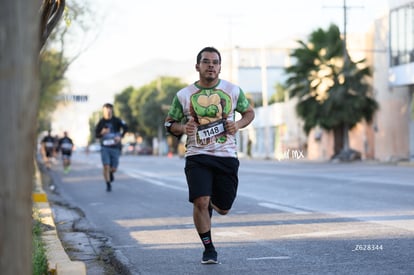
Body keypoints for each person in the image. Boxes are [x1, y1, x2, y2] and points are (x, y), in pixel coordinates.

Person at [164, 47, 255, 264]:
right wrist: (181, 128)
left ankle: (210, 198)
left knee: (223, 208)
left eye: (215, 62)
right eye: (206, 62)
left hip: (226, 156)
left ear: (220, 67)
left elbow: (249, 112)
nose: (211, 65)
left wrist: (238, 124)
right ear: (197, 66)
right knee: (200, 201)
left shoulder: (233, 90)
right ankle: (208, 248)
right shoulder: (183, 95)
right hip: (197, 155)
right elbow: (169, 123)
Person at [95, 103, 128, 192]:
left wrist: (120, 136)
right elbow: (96, 135)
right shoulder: (101, 122)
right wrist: (102, 133)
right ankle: (108, 184)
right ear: (103, 111)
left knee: (114, 168)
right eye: (106, 109)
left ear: (112, 110)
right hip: (105, 147)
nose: (108, 111)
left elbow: (126, 127)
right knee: (106, 166)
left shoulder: (117, 120)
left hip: (115, 147)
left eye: (110, 109)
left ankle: (111, 172)